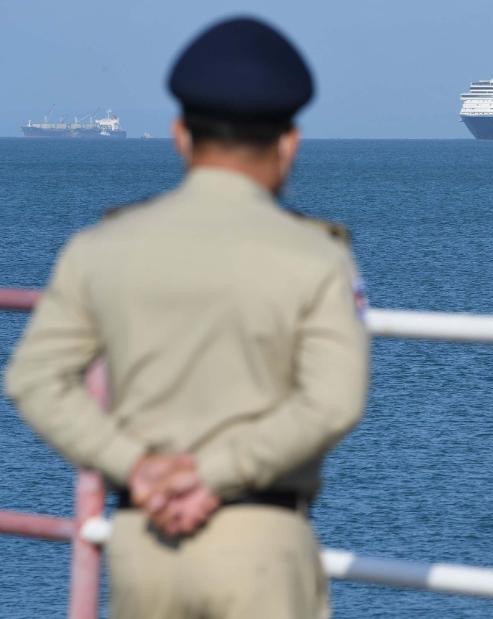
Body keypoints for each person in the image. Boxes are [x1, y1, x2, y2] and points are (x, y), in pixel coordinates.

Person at [4, 17, 368, 619]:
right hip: (260, 543)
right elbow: (334, 401)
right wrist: (213, 475)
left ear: (179, 135)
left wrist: (137, 468)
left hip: (143, 539)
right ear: (289, 143)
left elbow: (33, 378)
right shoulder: (318, 256)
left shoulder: (102, 247)